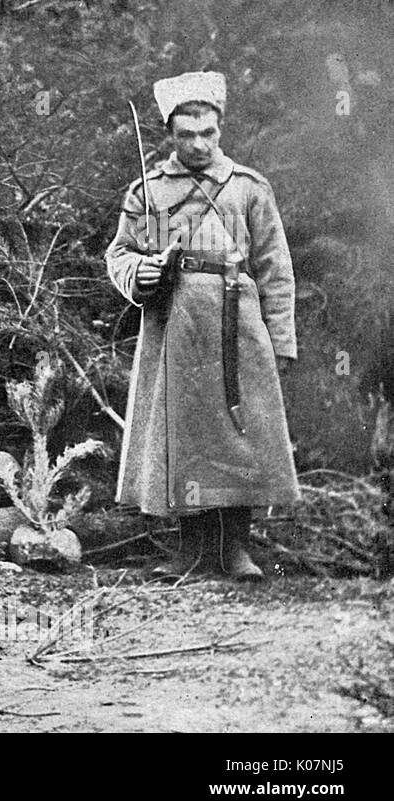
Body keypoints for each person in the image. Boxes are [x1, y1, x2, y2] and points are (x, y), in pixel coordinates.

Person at [105, 72, 300, 582]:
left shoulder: (247, 189)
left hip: (239, 327)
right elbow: (122, 255)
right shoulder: (150, 193)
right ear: (169, 132)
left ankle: (236, 551)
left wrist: (279, 340)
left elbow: (275, 267)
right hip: (176, 326)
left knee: (241, 436)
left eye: (207, 132)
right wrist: (140, 274)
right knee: (184, 436)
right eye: (186, 133)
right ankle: (191, 552)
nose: (198, 143)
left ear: (219, 129)